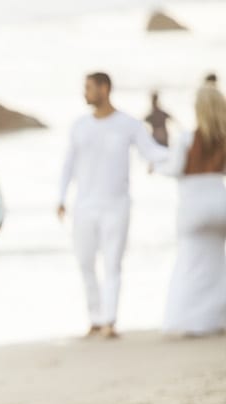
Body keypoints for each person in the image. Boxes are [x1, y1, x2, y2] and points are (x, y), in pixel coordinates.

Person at [58, 72, 168, 339]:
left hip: (116, 205)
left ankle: (109, 320)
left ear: (104, 89)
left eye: (89, 88)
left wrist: (184, 154)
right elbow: (68, 163)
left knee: (112, 263)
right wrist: (60, 198)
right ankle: (95, 318)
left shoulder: (128, 124)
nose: (85, 93)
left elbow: (151, 151)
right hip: (84, 205)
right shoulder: (79, 125)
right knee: (85, 262)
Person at [155, 84, 226, 335]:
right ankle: (218, 320)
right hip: (220, 202)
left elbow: (175, 169)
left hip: (194, 204)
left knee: (189, 264)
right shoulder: (223, 138)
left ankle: (186, 321)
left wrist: (156, 166)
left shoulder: (186, 138)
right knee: (217, 264)